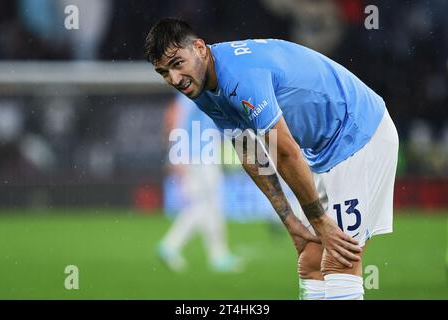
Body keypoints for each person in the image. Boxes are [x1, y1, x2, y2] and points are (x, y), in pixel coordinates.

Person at [145, 18, 399, 300]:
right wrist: (291, 222)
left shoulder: (240, 75)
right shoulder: (202, 88)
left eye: (177, 63)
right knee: (311, 260)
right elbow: (248, 150)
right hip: (323, 150)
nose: (174, 79)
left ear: (200, 49)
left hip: (358, 134)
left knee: (340, 260)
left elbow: (284, 150)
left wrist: (318, 219)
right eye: (163, 72)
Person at [158, 93, 242, 273]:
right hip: (200, 157)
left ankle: (175, 247)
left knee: (203, 206)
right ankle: (216, 255)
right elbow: (179, 120)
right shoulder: (193, 92)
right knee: (209, 206)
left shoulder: (196, 91)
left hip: (200, 155)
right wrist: (176, 155)